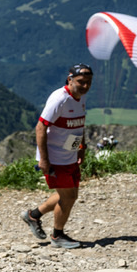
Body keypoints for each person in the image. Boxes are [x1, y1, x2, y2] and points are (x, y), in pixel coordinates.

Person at [21, 63, 92, 249]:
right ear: (70, 80)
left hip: (69, 154)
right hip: (55, 158)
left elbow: (79, 124)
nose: (85, 86)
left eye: (88, 82)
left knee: (70, 194)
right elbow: (40, 127)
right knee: (68, 197)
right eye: (81, 82)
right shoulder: (59, 99)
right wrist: (44, 160)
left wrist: (81, 147)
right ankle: (57, 236)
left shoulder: (81, 97)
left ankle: (33, 215)